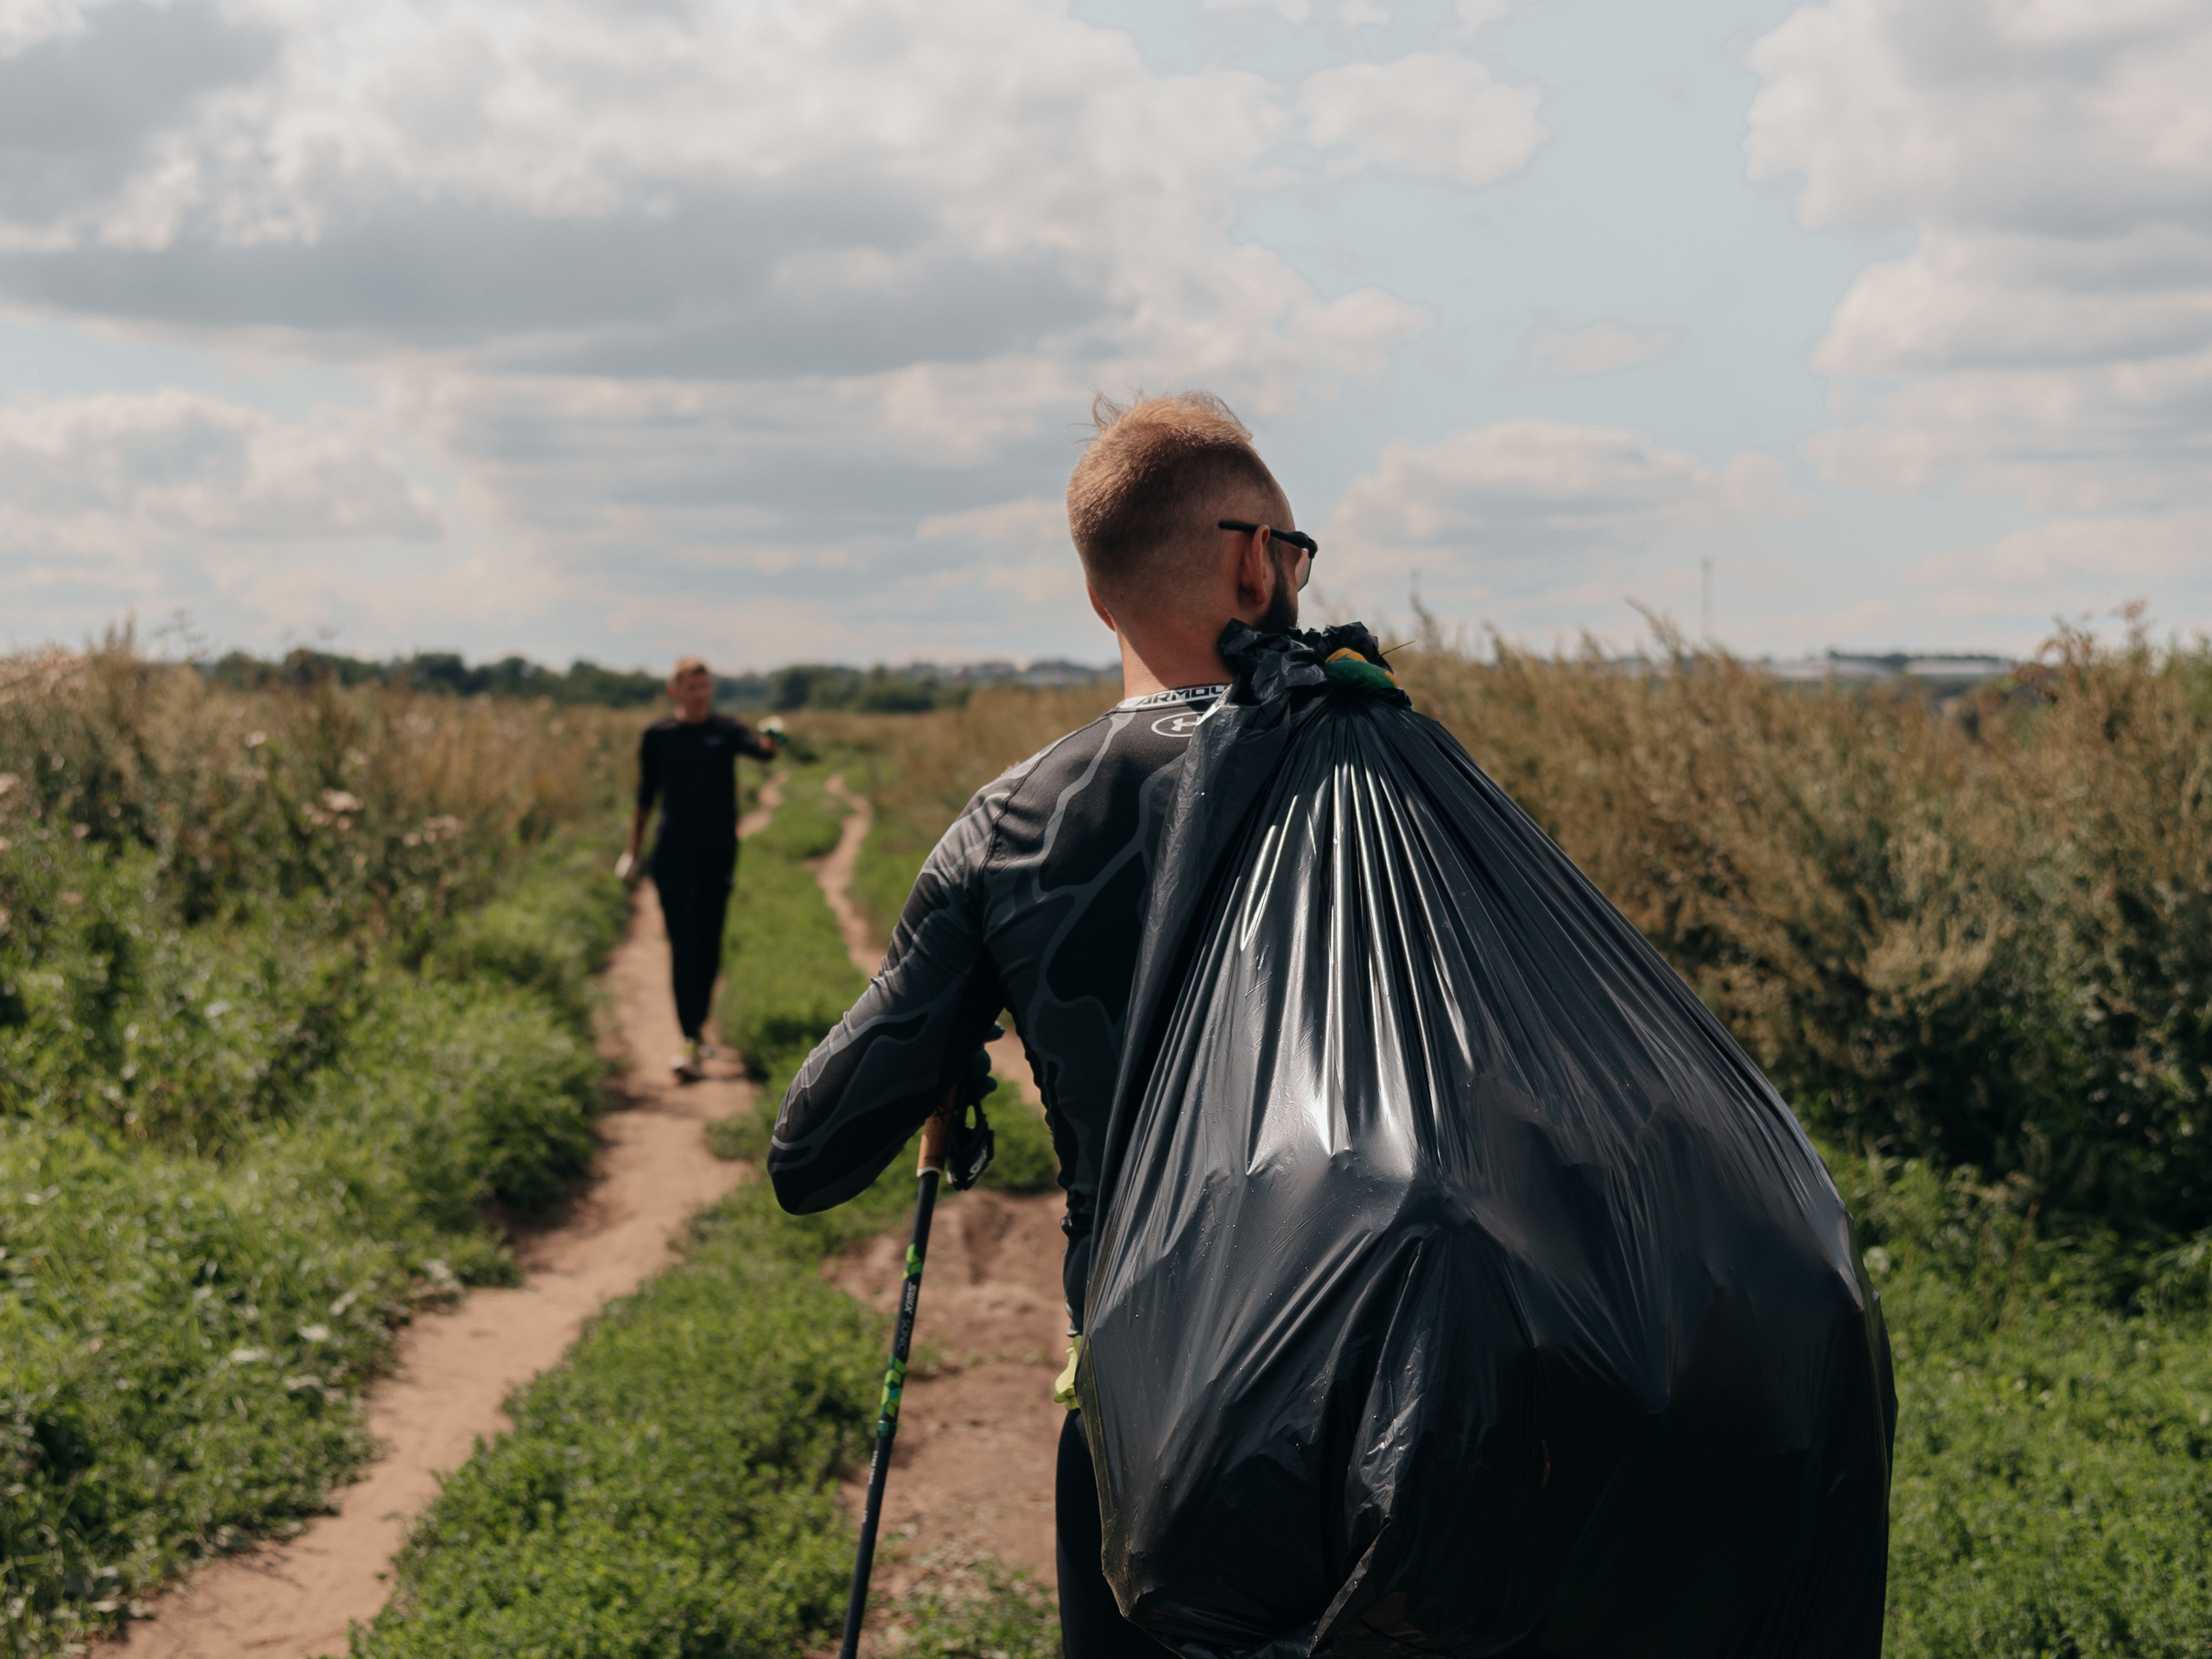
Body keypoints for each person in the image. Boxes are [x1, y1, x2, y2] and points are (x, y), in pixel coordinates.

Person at [768, 392, 1315, 1658]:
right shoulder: (1401, 779)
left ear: (1096, 597)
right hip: (1422, 1405)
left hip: (1159, 1427)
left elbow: (811, 1157)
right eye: (1296, 554)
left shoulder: (1014, 827)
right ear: (1253, 564)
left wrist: (945, 1046)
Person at [622, 656, 778, 1080]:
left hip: (718, 852)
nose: (701, 694)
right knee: (684, 943)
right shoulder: (658, 735)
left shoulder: (726, 730)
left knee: (709, 945)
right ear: (674, 691)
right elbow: (644, 796)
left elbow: (761, 753)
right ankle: (688, 1038)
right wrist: (633, 851)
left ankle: (698, 1027)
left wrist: (773, 738)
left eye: (706, 686)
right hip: (671, 853)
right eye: (692, 687)